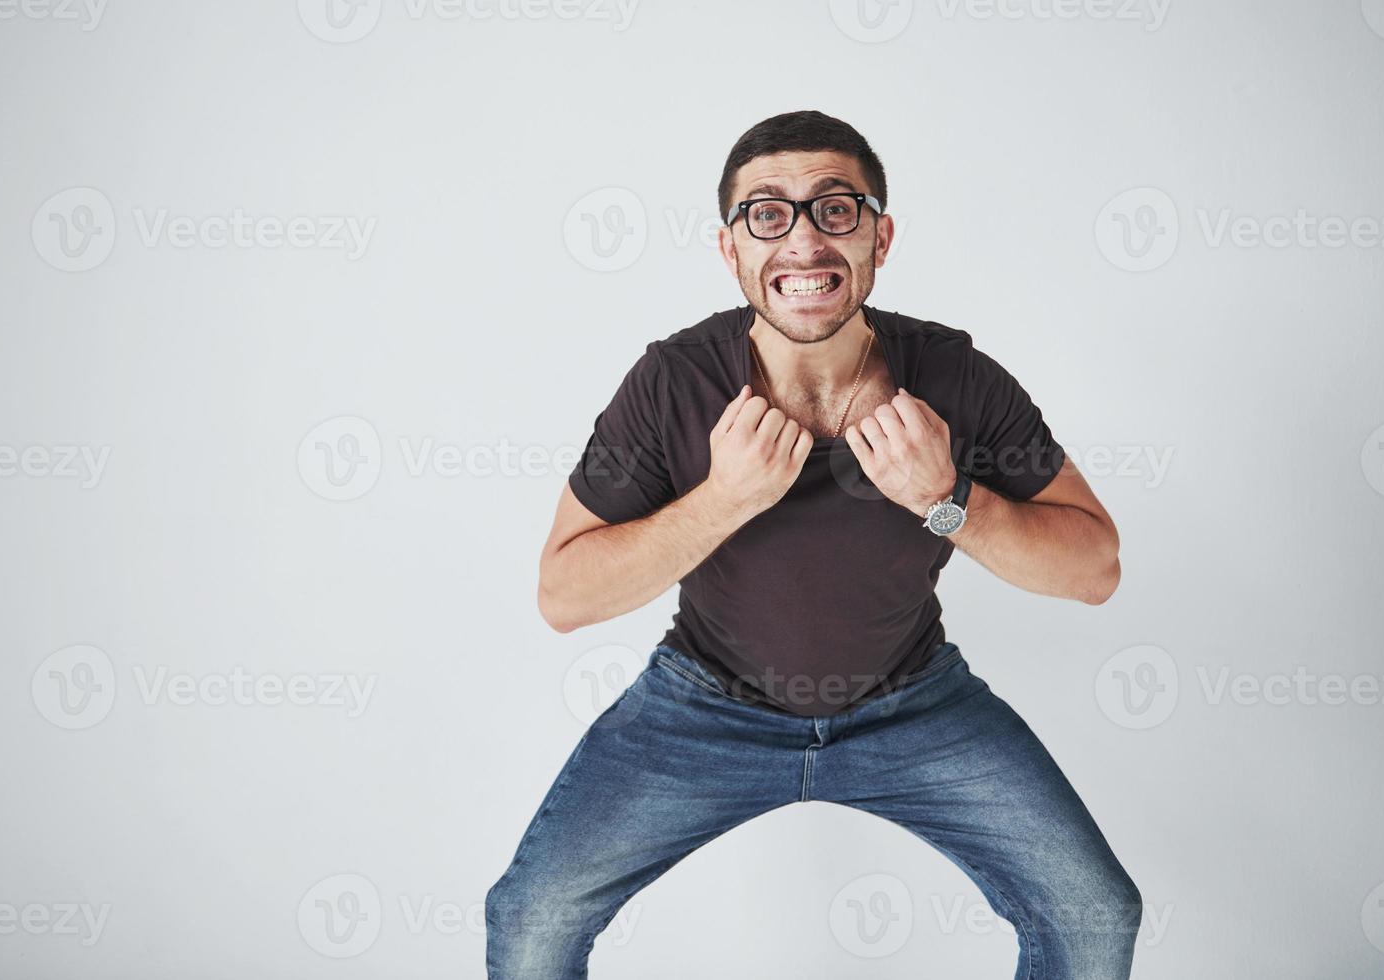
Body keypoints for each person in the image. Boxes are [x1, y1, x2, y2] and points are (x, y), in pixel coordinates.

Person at [486, 109, 1141, 979]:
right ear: (730, 250)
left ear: (880, 236)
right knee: (531, 918)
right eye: (767, 213)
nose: (802, 240)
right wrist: (722, 500)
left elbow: (1094, 569)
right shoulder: (672, 382)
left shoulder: (955, 376)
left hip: (913, 703)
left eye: (835, 209)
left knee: (1093, 913)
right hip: (702, 708)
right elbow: (563, 596)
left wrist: (946, 499)